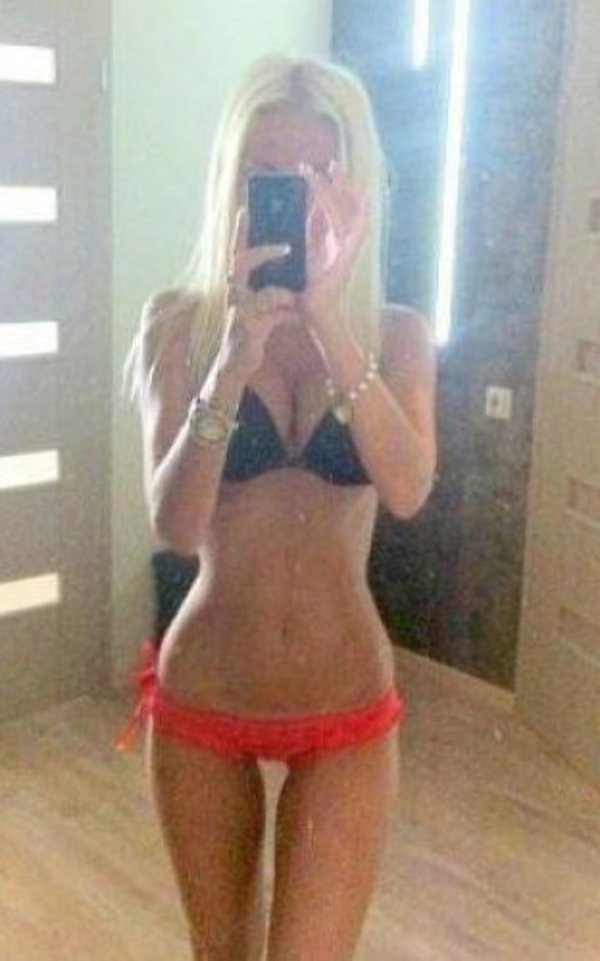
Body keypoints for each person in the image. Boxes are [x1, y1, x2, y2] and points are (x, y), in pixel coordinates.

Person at [120, 53, 436, 961]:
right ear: (231, 184)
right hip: (205, 696)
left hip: (346, 701)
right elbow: (176, 524)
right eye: (267, 175)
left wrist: (329, 319)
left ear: (354, 186)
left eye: (315, 174)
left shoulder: (397, 335)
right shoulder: (178, 326)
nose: (292, 198)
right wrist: (234, 358)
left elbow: (408, 489)